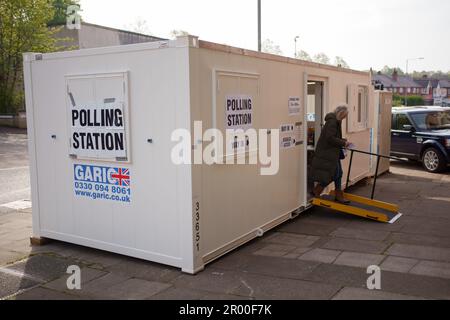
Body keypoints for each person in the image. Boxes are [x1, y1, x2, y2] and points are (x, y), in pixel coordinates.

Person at [311, 105, 352, 204]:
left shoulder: (336, 121)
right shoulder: (332, 122)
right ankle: (318, 190)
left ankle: (336, 194)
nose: (345, 117)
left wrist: (342, 140)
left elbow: (332, 137)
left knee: (338, 173)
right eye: (345, 115)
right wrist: (343, 143)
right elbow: (329, 138)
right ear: (341, 113)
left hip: (333, 153)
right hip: (328, 153)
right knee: (335, 174)